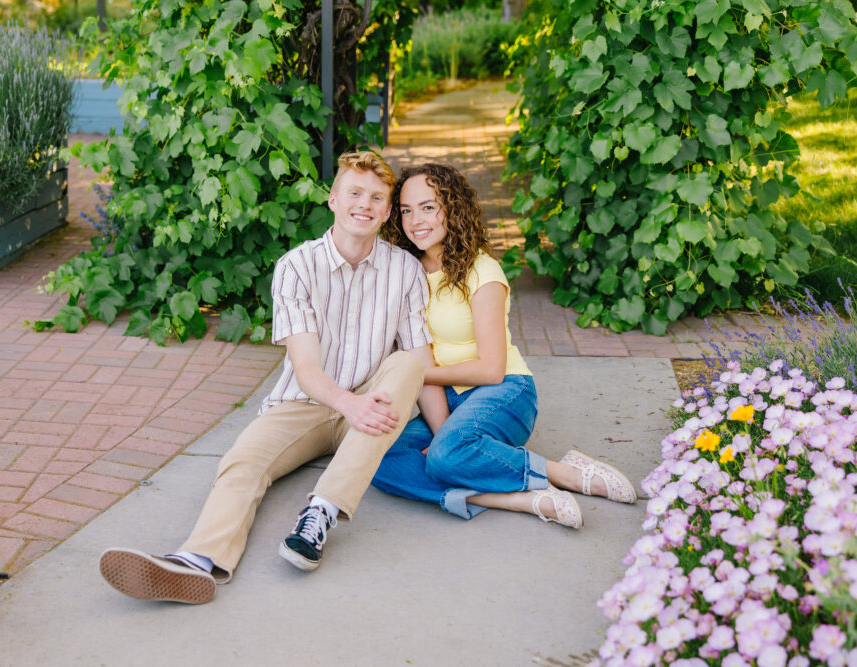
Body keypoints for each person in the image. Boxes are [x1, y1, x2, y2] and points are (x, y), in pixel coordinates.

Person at [98, 151, 447, 605]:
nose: (364, 204)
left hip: (371, 402)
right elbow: (305, 369)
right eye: (354, 193)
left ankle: (320, 512)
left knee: (406, 366)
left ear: (385, 211)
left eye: (377, 197)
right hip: (306, 402)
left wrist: (444, 440)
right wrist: (349, 405)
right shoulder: (296, 267)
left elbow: (422, 361)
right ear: (334, 200)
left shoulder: (404, 269)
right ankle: (196, 562)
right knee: (242, 461)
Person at [371, 163, 637, 527]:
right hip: (445, 399)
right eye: (406, 210)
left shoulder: (481, 270)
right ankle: (516, 499)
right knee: (377, 455)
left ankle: (564, 474)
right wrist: (443, 428)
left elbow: (491, 368)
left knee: (445, 455)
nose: (415, 219)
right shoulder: (405, 273)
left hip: (504, 391)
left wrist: (414, 373)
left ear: (452, 207)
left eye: (428, 207)